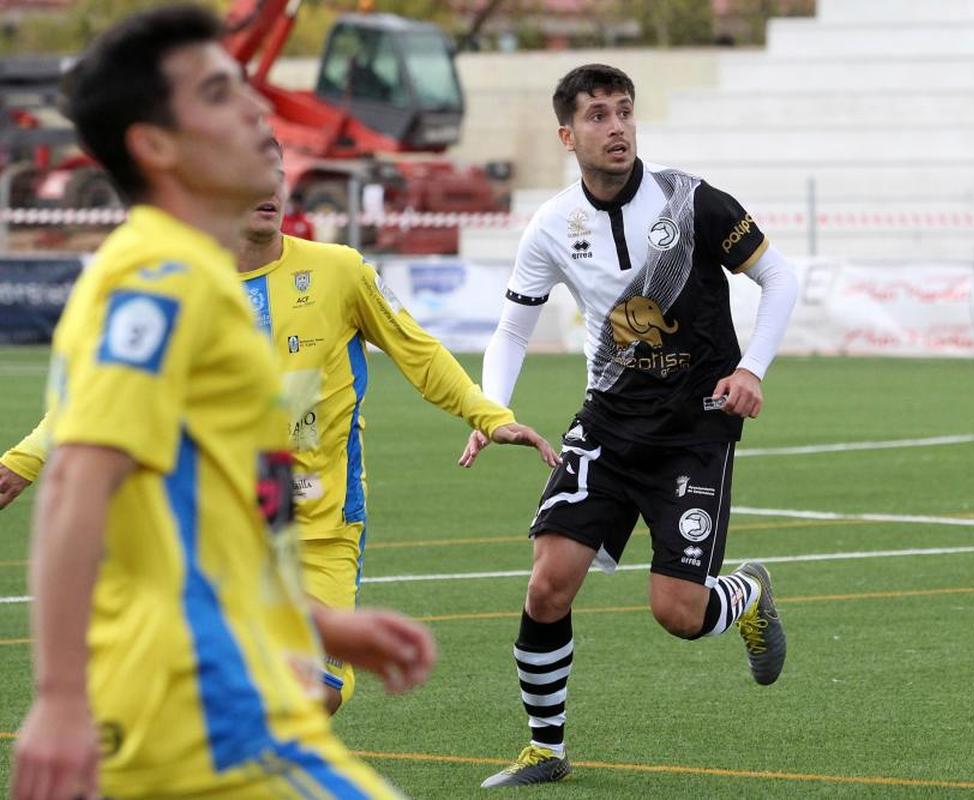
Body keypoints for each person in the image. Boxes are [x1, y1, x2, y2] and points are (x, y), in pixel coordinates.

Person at [10, 6, 425, 798]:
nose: (255, 111)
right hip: (203, 706)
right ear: (155, 146)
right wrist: (59, 700)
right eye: (218, 93)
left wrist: (322, 623)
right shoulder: (159, 282)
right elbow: (74, 483)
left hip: (231, 686)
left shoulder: (204, 280)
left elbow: (222, 514)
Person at [2, 144, 560, 716]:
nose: (268, 190)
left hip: (322, 525)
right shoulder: (178, 283)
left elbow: (420, 354)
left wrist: (490, 416)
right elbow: (106, 388)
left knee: (317, 692)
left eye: (277, 177)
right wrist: (23, 461)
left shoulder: (340, 270)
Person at [460, 64, 801, 788]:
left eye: (624, 112)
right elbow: (512, 332)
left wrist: (752, 371)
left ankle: (745, 594)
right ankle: (544, 749)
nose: (616, 127)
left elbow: (780, 279)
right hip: (608, 428)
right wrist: (492, 412)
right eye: (597, 116)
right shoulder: (551, 225)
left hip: (694, 431)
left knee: (677, 613)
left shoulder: (691, 201)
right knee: (548, 583)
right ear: (568, 134)